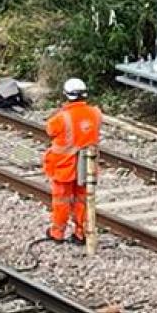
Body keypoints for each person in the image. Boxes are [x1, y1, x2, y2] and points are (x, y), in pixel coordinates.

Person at [42, 78, 102, 243]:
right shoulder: (96, 113)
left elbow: (50, 130)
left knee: (61, 201)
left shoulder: (61, 118)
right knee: (82, 200)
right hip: (86, 167)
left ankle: (58, 233)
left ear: (66, 95)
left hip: (64, 167)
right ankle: (81, 233)